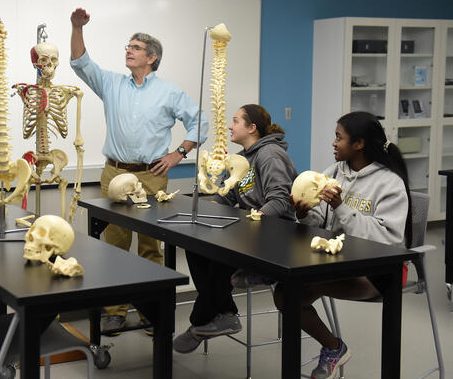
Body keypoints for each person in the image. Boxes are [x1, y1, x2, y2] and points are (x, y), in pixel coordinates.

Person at [70, 7, 209, 335]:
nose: (128, 52)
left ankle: (150, 309)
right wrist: (77, 27)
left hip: (152, 175)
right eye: (127, 47)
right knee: (114, 244)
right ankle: (115, 311)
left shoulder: (169, 92)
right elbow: (80, 62)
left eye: (134, 48)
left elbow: (200, 121)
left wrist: (179, 153)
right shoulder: (110, 83)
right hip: (114, 174)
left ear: (152, 57)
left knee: (150, 246)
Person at [274, 111, 412, 379]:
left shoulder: (389, 183)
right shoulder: (335, 172)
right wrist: (304, 215)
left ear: (359, 144)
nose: (334, 143)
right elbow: (321, 222)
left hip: (380, 271)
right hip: (338, 260)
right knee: (285, 294)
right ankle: (334, 347)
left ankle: (332, 348)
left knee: (292, 290)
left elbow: (389, 240)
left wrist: (342, 207)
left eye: (339, 138)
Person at [173, 104, 297, 353]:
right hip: (249, 232)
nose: (230, 126)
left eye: (235, 121)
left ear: (252, 128)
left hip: (276, 236)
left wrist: (254, 221)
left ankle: (199, 320)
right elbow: (227, 198)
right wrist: (203, 208)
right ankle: (226, 313)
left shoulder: (270, 154)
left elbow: (280, 200)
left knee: (222, 256)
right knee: (195, 245)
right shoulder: (241, 158)